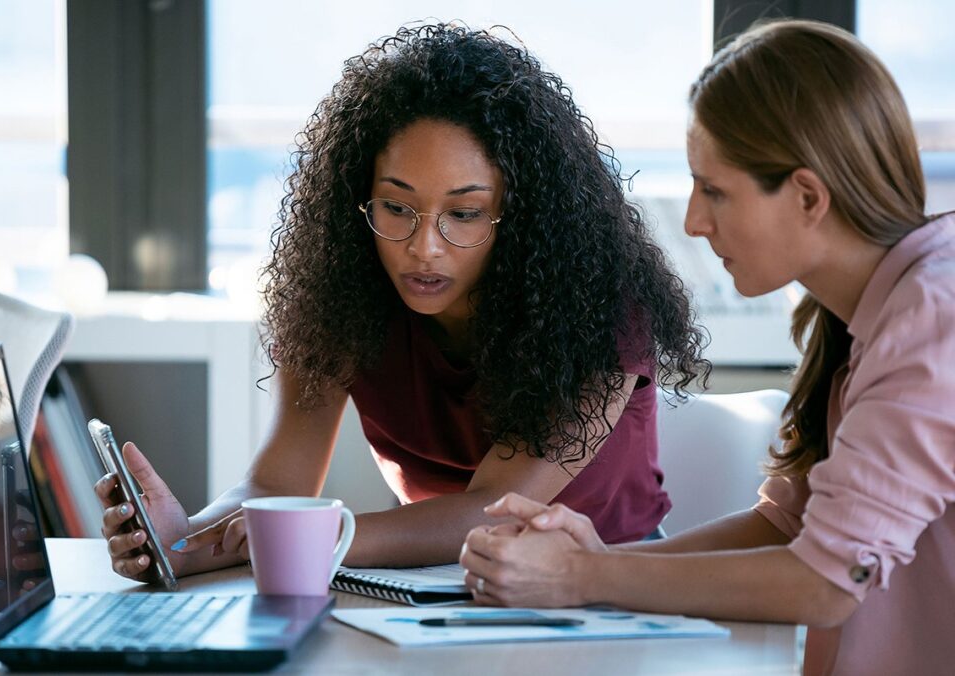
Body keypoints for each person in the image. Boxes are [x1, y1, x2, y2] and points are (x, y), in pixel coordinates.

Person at [95, 23, 705, 577]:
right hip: (428, 581)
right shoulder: (340, 295)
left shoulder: (599, 309)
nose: (424, 249)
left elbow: (488, 515)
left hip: (609, 585)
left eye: (464, 214)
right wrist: (178, 543)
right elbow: (276, 482)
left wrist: (315, 536)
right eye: (395, 207)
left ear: (519, 215)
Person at [460, 18, 955, 676]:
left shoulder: (930, 320)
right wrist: (599, 567)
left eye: (715, 190)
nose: (694, 221)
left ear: (807, 195)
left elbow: (827, 581)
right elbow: (788, 526)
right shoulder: (879, 311)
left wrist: (582, 578)